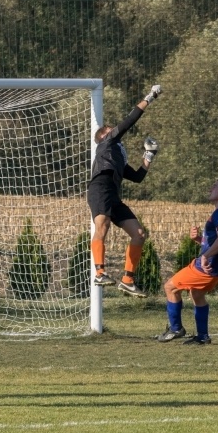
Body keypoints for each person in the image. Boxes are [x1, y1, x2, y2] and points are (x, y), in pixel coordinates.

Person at [88, 84, 162, 297]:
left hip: (114, 195)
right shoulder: (107, 143)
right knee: (102, 225)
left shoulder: (117, 159)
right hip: (100, 187)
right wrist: (150, 97)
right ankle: (100, 272)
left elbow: (137, 177)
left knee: (139, 234)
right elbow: (130, 121)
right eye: (111, 129)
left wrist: (149, 155)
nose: (115, 130)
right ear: (106, 135)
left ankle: (127, 280)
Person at [156, 179, 218, 345]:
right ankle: (202, 336)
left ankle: (176, 328)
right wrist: (199, 239)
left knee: (170, 287)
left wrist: (205, 256)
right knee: (197, 294)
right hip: (216, 264)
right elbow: (217, 241)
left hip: (207, 265)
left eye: (214, 187)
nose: (210, 188)